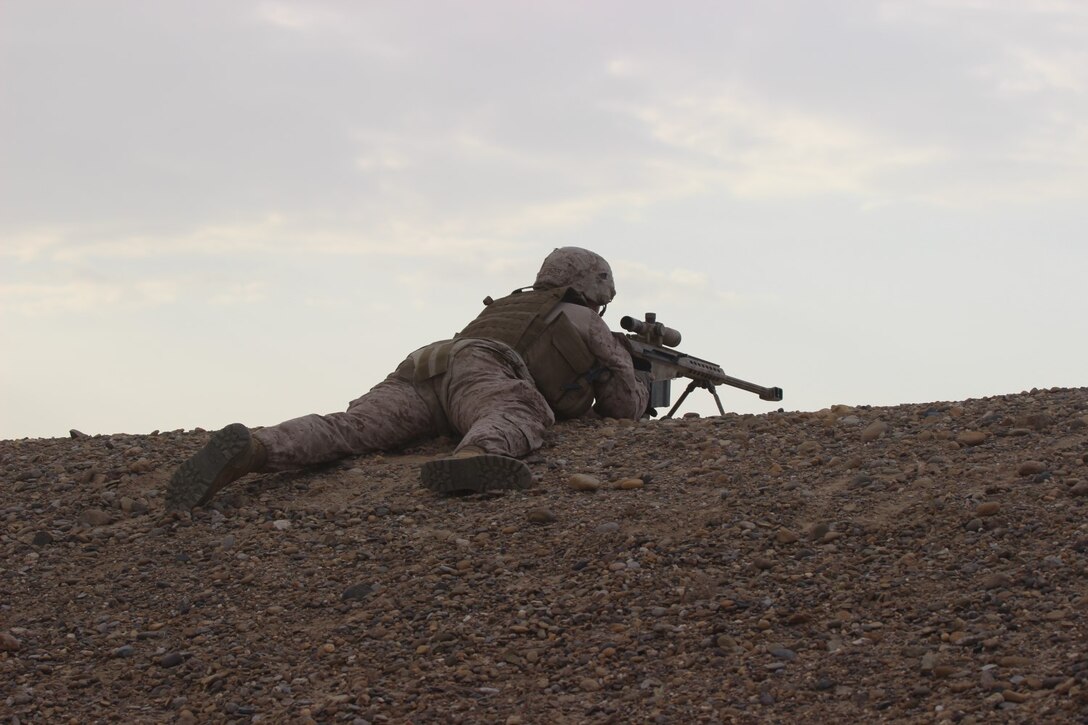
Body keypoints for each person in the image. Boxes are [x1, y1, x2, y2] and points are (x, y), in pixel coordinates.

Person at [165, 247, 651, 510]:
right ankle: (478, 456)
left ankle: (255, 448)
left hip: (428, 363)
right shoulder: (587, 321)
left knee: (349, 428)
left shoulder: (509, 303)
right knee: (518, 410)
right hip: (482, 373)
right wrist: (633, 369)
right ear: (596, 289)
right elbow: (623, 407)